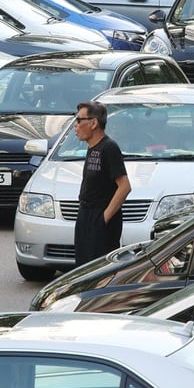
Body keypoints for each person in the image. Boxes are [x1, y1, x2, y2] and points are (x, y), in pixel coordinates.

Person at [73, 101, 131, 266]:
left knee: (99, 270)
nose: (76, 126)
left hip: (100, 218)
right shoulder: (92, 148)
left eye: (79, 120)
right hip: (86, 215)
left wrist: (103, 219)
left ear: (93, 123)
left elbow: (125, 186)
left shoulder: (109, 148)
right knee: (83, 268)